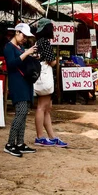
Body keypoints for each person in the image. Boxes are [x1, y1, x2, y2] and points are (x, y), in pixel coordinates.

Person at [3, 23, 38, 157]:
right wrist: (27, 53)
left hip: (26, 83)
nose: (24, 39)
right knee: (21, 112)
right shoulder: (8, 47)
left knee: (24, 113)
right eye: (23, 35)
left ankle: (20, 143)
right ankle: (10, 144)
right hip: (17, 83)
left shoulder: (21, 47)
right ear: (17, 33)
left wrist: (30, 55)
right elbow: (11, 64)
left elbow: (23, 61)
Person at [33, 19, 68, 148]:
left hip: (41, 76)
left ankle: (51, 136)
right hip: (44, 76)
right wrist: (55, 60)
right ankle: (40, 137)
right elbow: (52, 61)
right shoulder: (45, 43)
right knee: (42, 107)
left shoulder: (38, 42)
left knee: (47, 108)